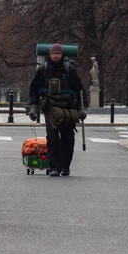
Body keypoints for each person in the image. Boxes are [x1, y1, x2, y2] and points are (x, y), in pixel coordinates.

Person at [28, 43, 88, 177]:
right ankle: (54, 166)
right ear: (49, 54)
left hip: (68, 107)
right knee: (52, 137)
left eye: (58, 53)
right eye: (53, 53)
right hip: (50, 108)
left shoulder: (70, 70)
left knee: (68, 137)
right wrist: (33, 107)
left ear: (62, 55)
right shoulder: (42, 70)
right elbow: (34, 89)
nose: (55, 56)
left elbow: (80, 89)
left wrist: (84, 108)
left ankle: (65, 166)